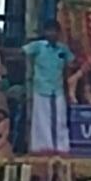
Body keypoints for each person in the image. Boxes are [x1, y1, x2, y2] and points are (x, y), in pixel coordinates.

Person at [22, 22, 72, 152]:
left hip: (58, 89)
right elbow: (21, 52)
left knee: (60, 119)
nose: (52, 34)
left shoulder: (63, 49)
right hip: (41, 88)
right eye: (49, 31)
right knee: (41, 119)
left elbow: (70, 67)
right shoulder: (38, 46)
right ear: (44, 33)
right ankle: (43, 148)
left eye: (54, 31)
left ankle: (61, 148)